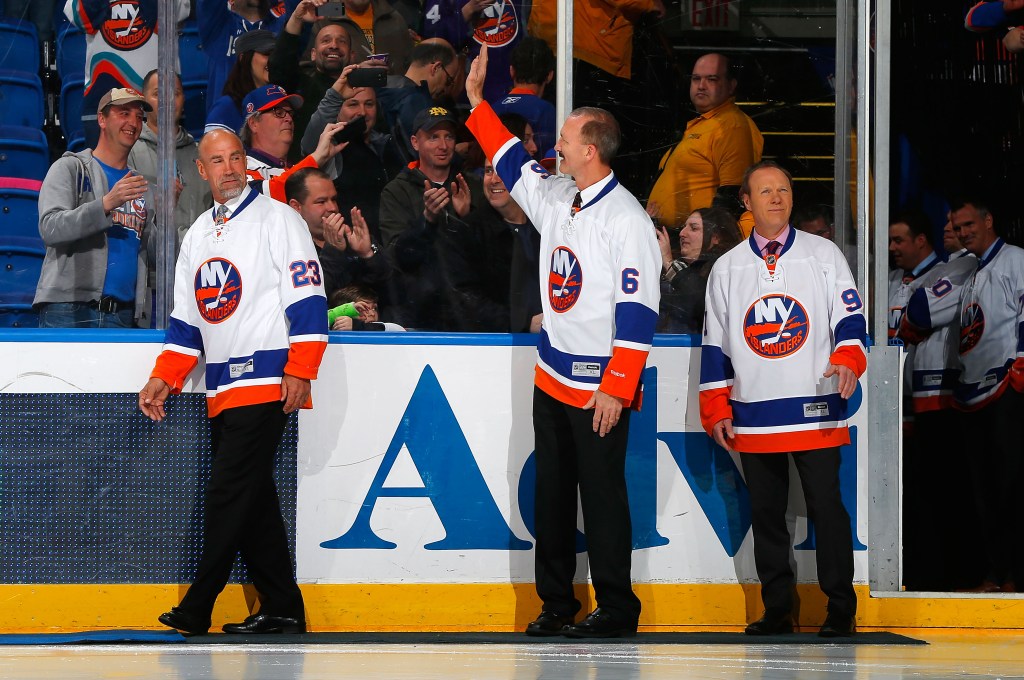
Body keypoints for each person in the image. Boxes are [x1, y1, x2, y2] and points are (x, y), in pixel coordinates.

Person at [465, 47, 661, 638]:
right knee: (551, 495)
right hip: (552, 376)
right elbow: (509, 159)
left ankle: (617, 608)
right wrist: (476, 104)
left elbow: (638, 310)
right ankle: (556, 604)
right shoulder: (557, 195)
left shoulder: (624, 218)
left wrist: (617, 387)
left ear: (591, 151)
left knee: (601, 498)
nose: (556, 147)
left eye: (567, 140)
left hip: (601, 384)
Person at [140, 129, 328, 636]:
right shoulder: (198, 233)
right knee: (252, 501)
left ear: (246, 163)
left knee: (226, 493)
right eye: (217, 161)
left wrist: (302, 367)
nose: (228, 168)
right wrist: (165, 377)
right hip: (222, 389)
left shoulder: (278, 217)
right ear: (201, 170)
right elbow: (187, 321)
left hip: (266, 380)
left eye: (236, 158)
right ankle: (284, 607)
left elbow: (309, 297)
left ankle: (199, 605)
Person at [700, 160, 866, 637]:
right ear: (746, 203)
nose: (777, 197)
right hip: (754, 413)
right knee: (766, 514)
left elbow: (850, 321)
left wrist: (850, 361)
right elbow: (716, 345)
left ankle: (840, 608)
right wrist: (716, 407)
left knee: (827, 510)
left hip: (815, 407)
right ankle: (778, 609)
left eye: (784, 190)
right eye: (765, 191)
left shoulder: (823, 254)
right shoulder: (728, 267)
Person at [899, 198, 1024, 593]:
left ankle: (1015, 573)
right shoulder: (968, 268)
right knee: (982, 491)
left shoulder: (1015, 260)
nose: (965, 232)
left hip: (1007, 388)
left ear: (989, 220)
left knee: (1010, 487)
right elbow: (921, 313)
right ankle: (995, 570)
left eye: (971, 224)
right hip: (970, 393)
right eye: (958, 225)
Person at [34, 87, 156, 329]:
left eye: (139, 117)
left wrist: (166, 215)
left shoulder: (142, 186)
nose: (133, 122)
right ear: (102, 119)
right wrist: (105, 205)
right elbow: (50, 228)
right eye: (124, 113)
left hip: (124, 315)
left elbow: (153, 255)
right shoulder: (70, 168)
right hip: (69, 310)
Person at [378, 105, 485, 329]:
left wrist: (467, 217)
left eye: (449, 137)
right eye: (433, 137)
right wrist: (426, 221)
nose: (443, 145)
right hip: (417, 318)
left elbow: (490, 255)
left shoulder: (473, 186)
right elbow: (396, 258)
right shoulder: (396, 192)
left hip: (471, 317)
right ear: (415, 142)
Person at [647, 53, 764, 230]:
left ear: (731, 85)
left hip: (703, 244)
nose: (701, 86)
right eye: (696, 79)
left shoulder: (731, 125)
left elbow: (733, 194)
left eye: (712, 79)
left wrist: (710, 240)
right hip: (678, 240)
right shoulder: (702, 125)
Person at [300, 64, 407, 239]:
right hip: (350, 248)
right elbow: (313, 136)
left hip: (392, 246)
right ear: (338, 110)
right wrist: (335, 96)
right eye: (353, 104)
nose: (362, 112)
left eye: (369, 104)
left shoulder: (388, 143)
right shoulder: (331, 148)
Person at [64, 0, 190, 146]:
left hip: (158, 102)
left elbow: (177, 12)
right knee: (104, 168)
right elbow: (78, 15)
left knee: (157, 168)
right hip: (104, 99)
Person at [439, 155, 542, 332]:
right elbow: (466, 302)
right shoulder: (467, 233)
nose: (494, 179)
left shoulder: (546, 228)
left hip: (553, 345)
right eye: (488, 171)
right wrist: (524, 323)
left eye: (502, 171)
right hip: (496, 348)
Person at [128, 70, 211, 248]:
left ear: (183, 100)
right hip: (150, 264)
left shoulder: (201, 155)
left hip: (197, 261)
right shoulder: (129, 153)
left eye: (175, 93)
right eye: (158, 94)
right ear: (144, 102)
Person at [284, 166, 393, 302]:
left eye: (334, 199)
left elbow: (392, 290)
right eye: (321, 202)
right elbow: (312, 298)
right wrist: (333, 252)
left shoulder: (354, 238)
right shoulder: (289, 249)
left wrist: (368, 255)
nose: (333, 208)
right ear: (296, 207)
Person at [269, 0, 357, 160]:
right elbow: (279, 67)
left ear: (352, 55)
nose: (334, 45)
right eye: (326, 40)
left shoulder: (362, 91)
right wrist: (296, 19)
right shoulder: (300, 87)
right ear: (313, 54)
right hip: (308, 168)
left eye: (341, 41)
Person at [240, 84, 348, 202]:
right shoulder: (241, 166)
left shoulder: (292, 167)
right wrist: (317, 157)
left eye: (290, 113)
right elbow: (259, 199)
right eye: (279, 112)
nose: (289, 119)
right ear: (254, 123)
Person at [196, 0, 300, 116]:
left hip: (272, 124)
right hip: (225, 124)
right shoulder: (217, 25)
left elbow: (300, 11)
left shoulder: (283, 27)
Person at [655, 207, 740, 334]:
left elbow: (701, 303)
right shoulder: (680, 268)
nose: (682, 233)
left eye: (694, 228)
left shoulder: (725, 270)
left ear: (715, 238)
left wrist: (669, 263)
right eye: (684, 227)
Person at [420, 0, 524, 104]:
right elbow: (433, 42)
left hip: (508, 87)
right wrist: (465, 13)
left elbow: (523, 33)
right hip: (466, 92)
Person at [376, 39, 460, 162]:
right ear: (436, 68)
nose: (445, 89)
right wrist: (455, 156)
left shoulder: (381, 87)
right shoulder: (416, 100)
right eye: (448, 81)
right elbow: (426, 156)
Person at [491, 37, 557, 156]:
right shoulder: (546, 111)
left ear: (511, 71)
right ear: (550, 76)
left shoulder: (491, 109)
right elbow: (550, 162)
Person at [205, 29, 277, 135]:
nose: (272, 60)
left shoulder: (283, 101)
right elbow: (214, 149)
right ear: (243, 58)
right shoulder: (226, 108)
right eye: (266, 53)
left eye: (275, 55)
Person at [341, 0, 414, 72]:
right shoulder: (330, 18)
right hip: (348, 83)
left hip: (396, 82)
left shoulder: (394, 18)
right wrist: (357, 72)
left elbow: (410, 62)